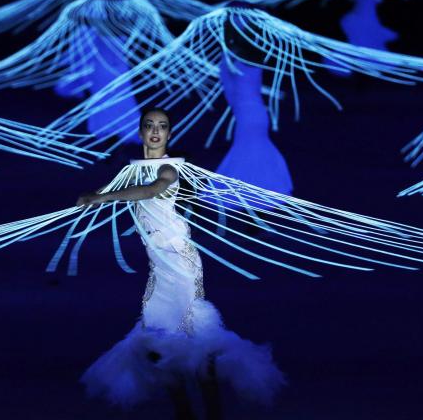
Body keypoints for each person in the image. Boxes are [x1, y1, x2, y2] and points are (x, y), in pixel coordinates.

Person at [76, 107, 285, 419]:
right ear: (140, 131)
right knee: (162, 343)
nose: (155, 131)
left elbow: (151, 190)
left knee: (187, 336)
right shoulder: (135, 171)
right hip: (159, 262)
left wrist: (100, 198)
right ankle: (186, 413)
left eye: (162, 126)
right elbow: (125, 190)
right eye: (149, 125)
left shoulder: (169, 170)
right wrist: (97, 197)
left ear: (169, 133)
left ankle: (210, 413)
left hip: (178, 261)